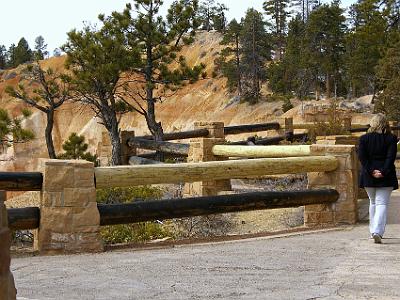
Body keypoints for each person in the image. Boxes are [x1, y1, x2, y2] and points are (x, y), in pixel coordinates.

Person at [358, 113, 398, 244]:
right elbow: (390, 158)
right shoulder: (391, 138)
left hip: (369, 176)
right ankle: (377, 231)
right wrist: (383, 171)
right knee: (382, 203)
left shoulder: (364, 139)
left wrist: (371, 171)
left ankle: (372, 231)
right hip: (385, 176)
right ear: (385, 123)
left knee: (373, 202)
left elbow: (363, 158)